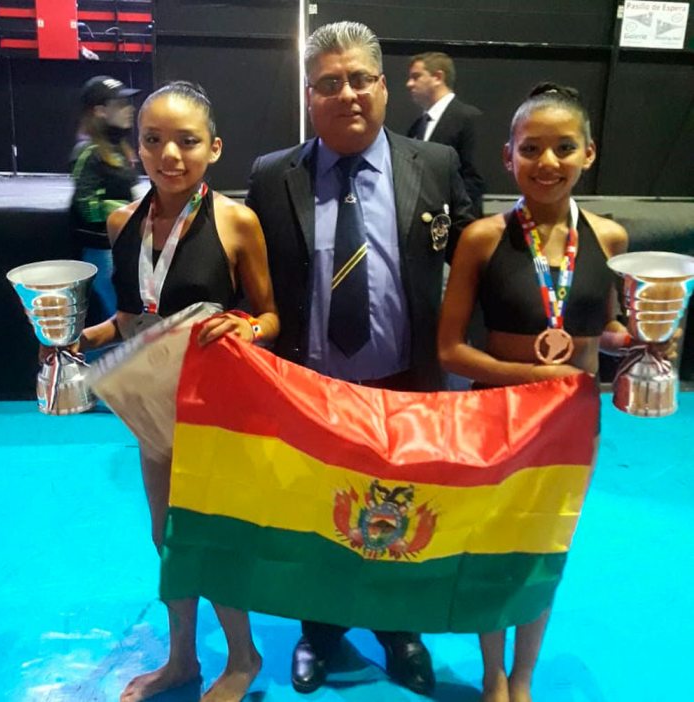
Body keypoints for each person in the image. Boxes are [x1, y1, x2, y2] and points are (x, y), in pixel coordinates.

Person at [246, 20, 475, 697]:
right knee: (315, 517)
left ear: (382, 85)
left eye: (359, 79)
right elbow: (248, 280)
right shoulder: (272, 176)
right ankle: (318, 632)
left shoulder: (434, 165)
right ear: (309, 95)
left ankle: (399, 631)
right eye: (329, 83)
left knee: (402, 513)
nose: (346, 93)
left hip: (404, 384)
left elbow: (477, 257)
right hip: (309, 387)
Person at [78, 81, 279, 702]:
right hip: (153, 409)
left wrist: (248, 327)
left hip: (216, 408)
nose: (170, 154)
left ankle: (242, 657)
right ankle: (183, 659)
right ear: (138, 148)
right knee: (166, 537)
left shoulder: (237, 222)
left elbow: (271, 316)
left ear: (213, 148)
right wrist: (76, 337)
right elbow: (132, 317)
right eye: (154, 140)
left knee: (213, 534)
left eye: (187, 141)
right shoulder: (122, 222)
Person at [437, 82, 629, 702]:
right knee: (491, 547)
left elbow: (608, 327)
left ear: (589, 154)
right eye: (531, 148)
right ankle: (493, 673)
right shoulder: (482, 239)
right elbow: (451, 351)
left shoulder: (611, 239)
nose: (547, 162)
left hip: (573, 423)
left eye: (564, 148)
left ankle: (523, 677)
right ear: (508, 156)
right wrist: (536, 379)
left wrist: (642, 341)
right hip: (496, 414)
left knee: (546, 548)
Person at [70, 76, 141, 325]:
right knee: (119, 318)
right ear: (99, 111)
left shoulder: (118, 149)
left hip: (121, 247)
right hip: (102, 251)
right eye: (120, 104)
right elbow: (87, 206)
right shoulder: (88, 152)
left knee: (126, 317)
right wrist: (128, 211)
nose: (129, 109)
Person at [406, 52, 485, 218]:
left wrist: (460, 222)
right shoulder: (416, 127)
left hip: (457, 223)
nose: (409, 84)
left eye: (416, 77)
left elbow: (474, 179)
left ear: (437, 77)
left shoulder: (469, 118)